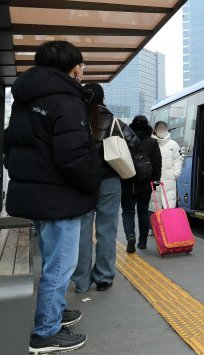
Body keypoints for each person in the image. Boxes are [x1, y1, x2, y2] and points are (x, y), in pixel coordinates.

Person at [4, 41, 100, 353]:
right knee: (60, 266)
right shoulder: (66, 101)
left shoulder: (26, 99)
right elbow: (73, 157)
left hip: (38, 195)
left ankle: (53, 311)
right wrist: (90, 183)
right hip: (59, 197)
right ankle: (46, 332)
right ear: (74, 67)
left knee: (51, 261)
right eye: (81, 65)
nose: (82, 71)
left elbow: (13, 147)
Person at [72, 83, 141, 293]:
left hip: (82, 182)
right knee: (106, 230)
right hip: (109, 181)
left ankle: (81, 282)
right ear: (103, 99)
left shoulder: (76, 121)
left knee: (82, 232)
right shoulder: (114, 122)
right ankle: (104, 277)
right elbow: (135, 144)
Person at [121, 115, 162, 253]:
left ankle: (130, 236)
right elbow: (157, 163)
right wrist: (155, 182)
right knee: (143, 212)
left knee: (127, 212)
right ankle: (142, 242)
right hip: (145, 183)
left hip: (127, 182)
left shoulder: (124, 140)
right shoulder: (152, 142)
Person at [149, 121, 184, 212]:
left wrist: (175, 173)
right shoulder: (151, 143)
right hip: (154, 182)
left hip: (169, 182)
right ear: (155, 130)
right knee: (154, 212)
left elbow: (178, 159)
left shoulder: (173, 144)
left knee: (168, 211)